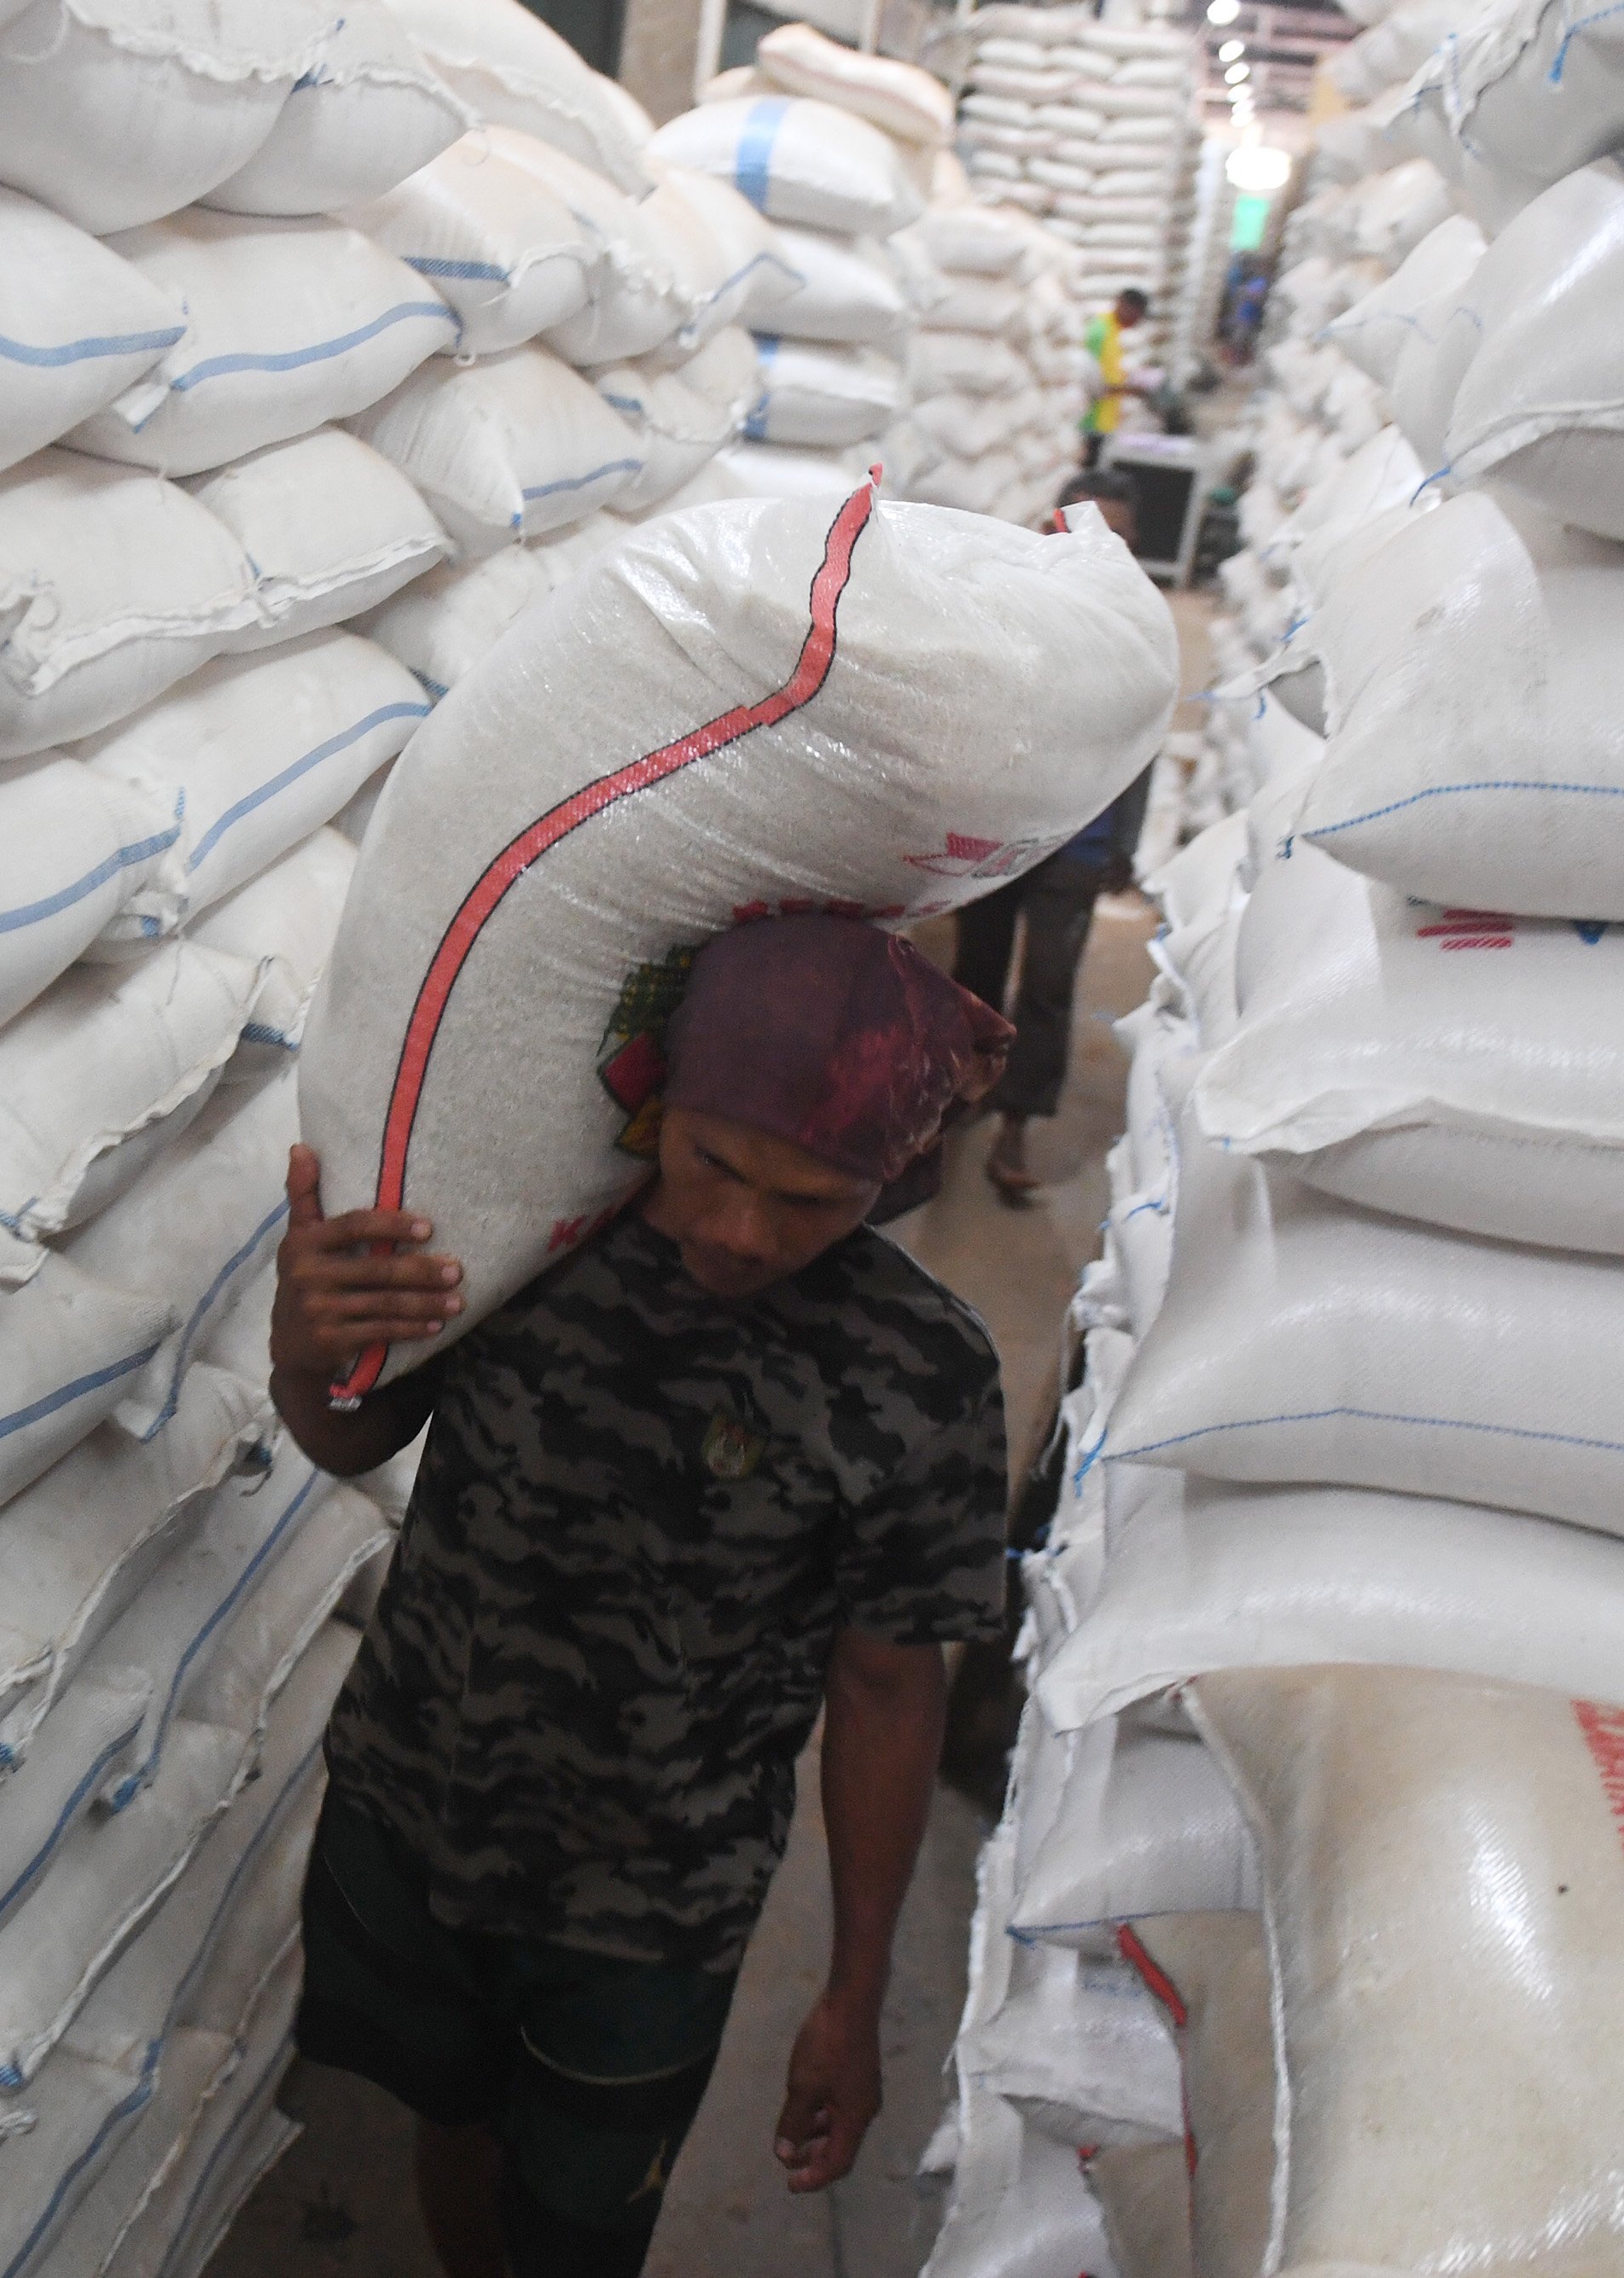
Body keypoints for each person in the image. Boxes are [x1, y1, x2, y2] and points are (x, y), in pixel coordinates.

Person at [271, 915, 1016, 2278]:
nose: (740, 1230)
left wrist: (852, 1991)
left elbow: (890, 1685)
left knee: (581, 2221)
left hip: (652, 1903)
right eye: (715, 1163)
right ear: (657, 1102)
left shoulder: (920, 1376)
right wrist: (298, 1353)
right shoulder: (520, 1238)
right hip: (422, 1799)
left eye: (808, 1201)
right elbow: (354, 1441)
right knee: (451, 2119)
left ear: (895, 1175)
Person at [950, 767, 1150, 1197]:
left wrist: (1125, 841)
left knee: (1048, 984)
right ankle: (960, 1095)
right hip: (997, 832)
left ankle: (1014, 1125)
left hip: (1079, 845)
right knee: (976, 971)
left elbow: (1139, 747)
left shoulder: (1116, 695)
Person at [1081, 286, 1150, 469]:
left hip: (1104, 420)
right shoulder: (1099, 332)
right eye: (1136, 314)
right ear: (1122, 304)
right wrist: (1130, 389)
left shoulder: (1112, 331)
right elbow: (1089, 381)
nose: (1136, 321)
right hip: (1091, 420)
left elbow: (1106, 370)